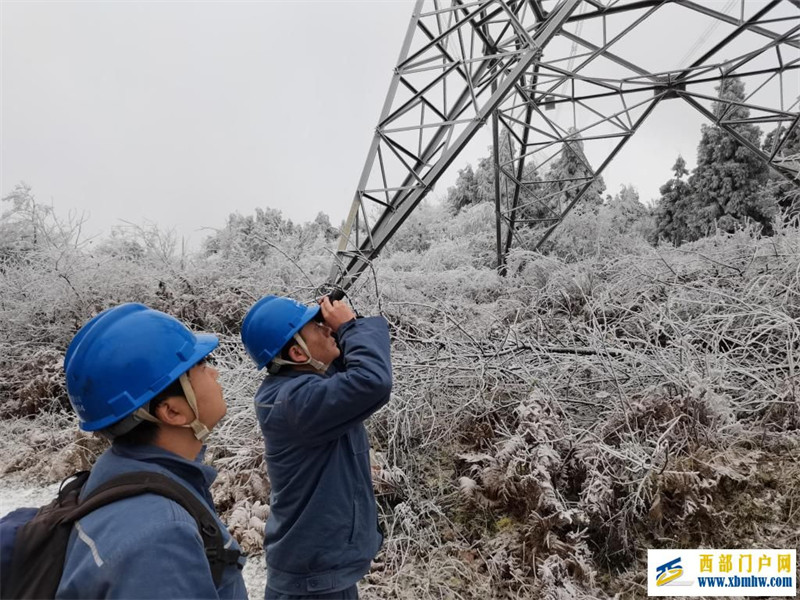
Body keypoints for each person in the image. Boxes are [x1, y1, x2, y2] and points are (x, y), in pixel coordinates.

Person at [56, 302, 248, 599]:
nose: (215, 373)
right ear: (172, 411)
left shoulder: (127, 475)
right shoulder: (160, 538)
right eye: (200, 365)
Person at [240, 295, 392, 600]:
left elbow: (350, 366)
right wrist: (349, 326)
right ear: (298, 353)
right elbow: (371, 381)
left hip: (318, 570)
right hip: (312, 584)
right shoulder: (295, 402)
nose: (327, 329)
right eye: (317, 327)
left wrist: (345, 327)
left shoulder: (298, 388)